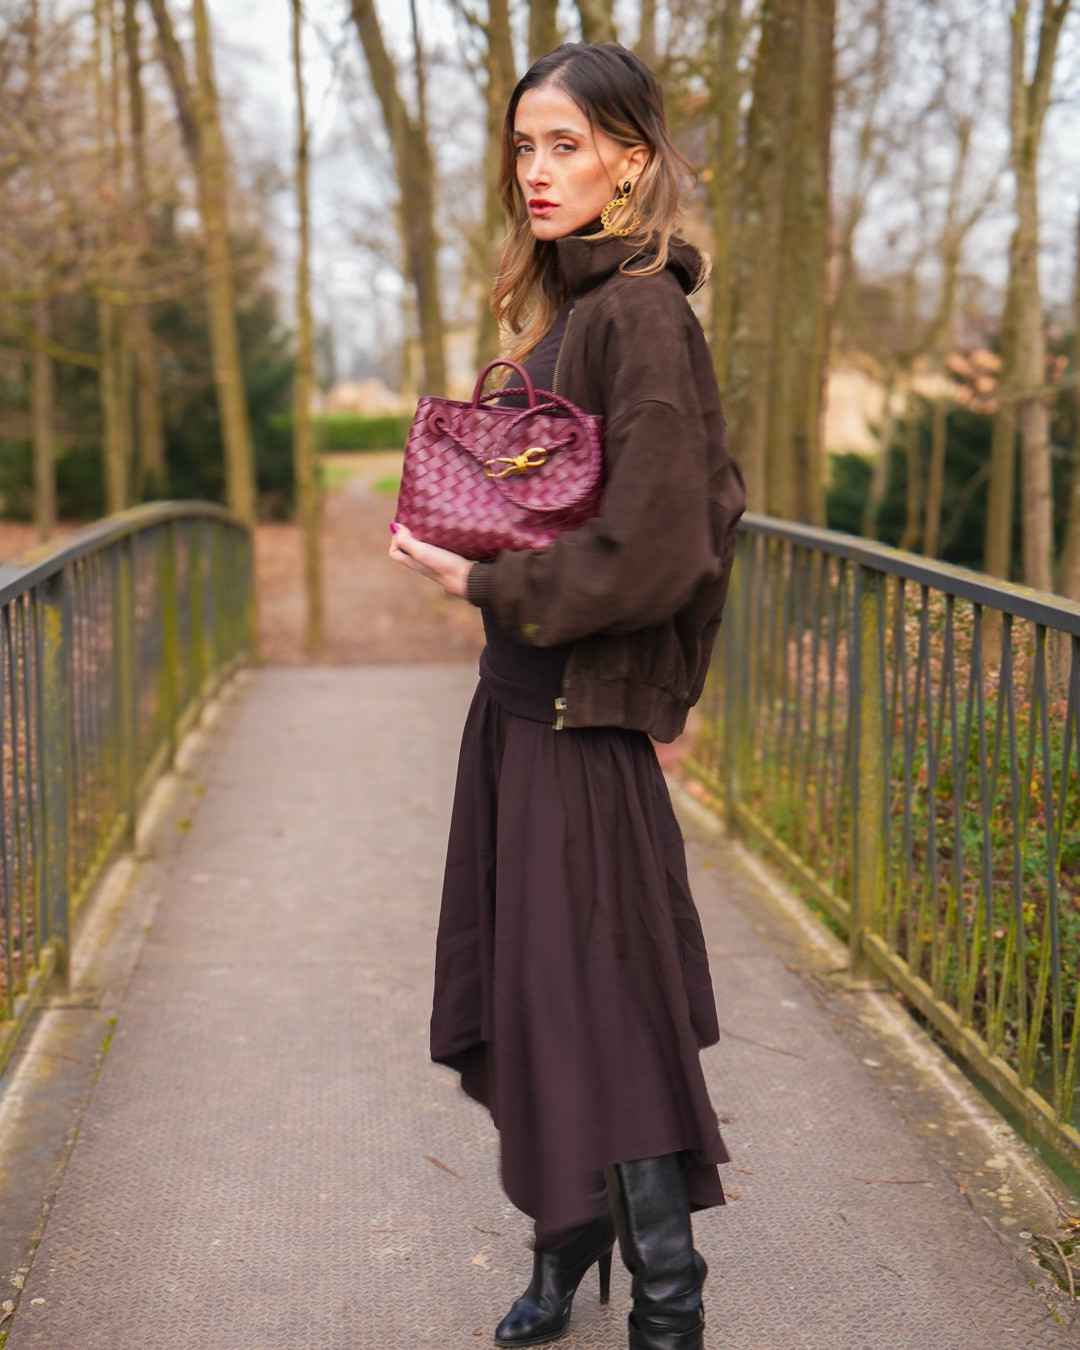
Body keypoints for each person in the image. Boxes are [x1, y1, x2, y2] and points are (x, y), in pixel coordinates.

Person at [389, 40, 745, 1350]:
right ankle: (572, 1236)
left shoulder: (639, 310)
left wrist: (478, 583)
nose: (536, 173)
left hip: (567, 714)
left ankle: (669, 1301)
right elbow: (617, 496)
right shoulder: (579, 309)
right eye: (523, 147)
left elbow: (670, 535)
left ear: (629, 160)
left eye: (567, 146)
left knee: (602, 1005)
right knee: (547, 996)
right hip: (522, 706)